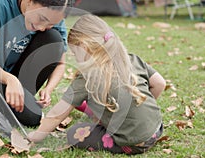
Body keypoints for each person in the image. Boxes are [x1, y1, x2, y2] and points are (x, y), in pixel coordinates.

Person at [28, 14, 166, 155]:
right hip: (156, 129)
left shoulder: (87, 78)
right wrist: (137, 107)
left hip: (132, 143)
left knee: (75, 133)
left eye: (76, 53)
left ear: (84, 47)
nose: (75, 59)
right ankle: (88, 108)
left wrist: (37, 135)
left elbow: (57, 114)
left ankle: (117, 138)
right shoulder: (131, 59)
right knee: (100, 102)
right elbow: (160, 83)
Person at [0, 0, 69, 127]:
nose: (41, 28)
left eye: (50, 24)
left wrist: (48, 89)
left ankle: (21, 97)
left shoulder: (54, 15)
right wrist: (10, 80)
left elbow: (61, 64)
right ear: (29, 1)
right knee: (32, 117)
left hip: (19, 77)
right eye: (41, 18)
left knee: (53, 39)